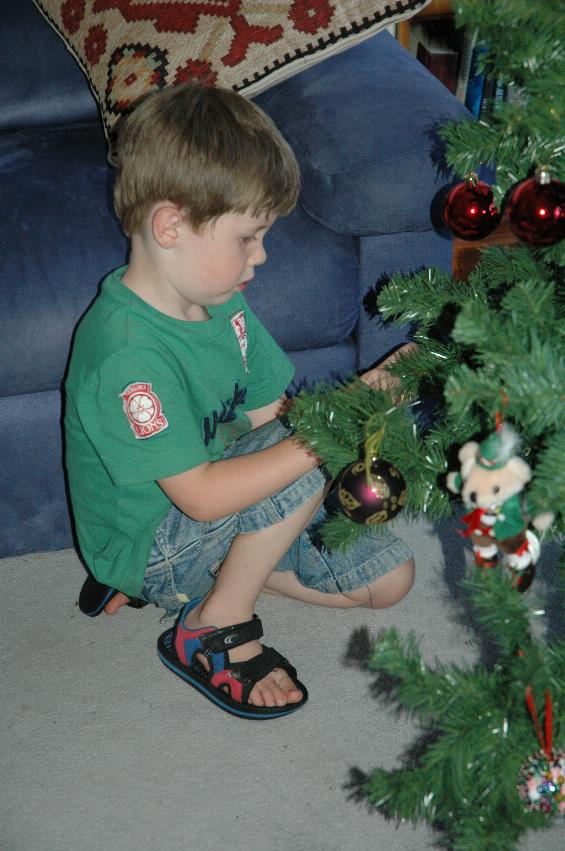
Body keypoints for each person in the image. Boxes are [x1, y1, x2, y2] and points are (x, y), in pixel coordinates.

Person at [64, 81, 415, 720]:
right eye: (248, 238)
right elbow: (202, 496)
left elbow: (270, 416)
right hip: (156, 540)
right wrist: (332, 426)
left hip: (220, 515)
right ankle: (212, 619)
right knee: (309, 436)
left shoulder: (224, 308)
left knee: (390, 582)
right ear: (170, 225)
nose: (262, 255)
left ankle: (229, 577)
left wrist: (344, 448)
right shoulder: (125, 356)